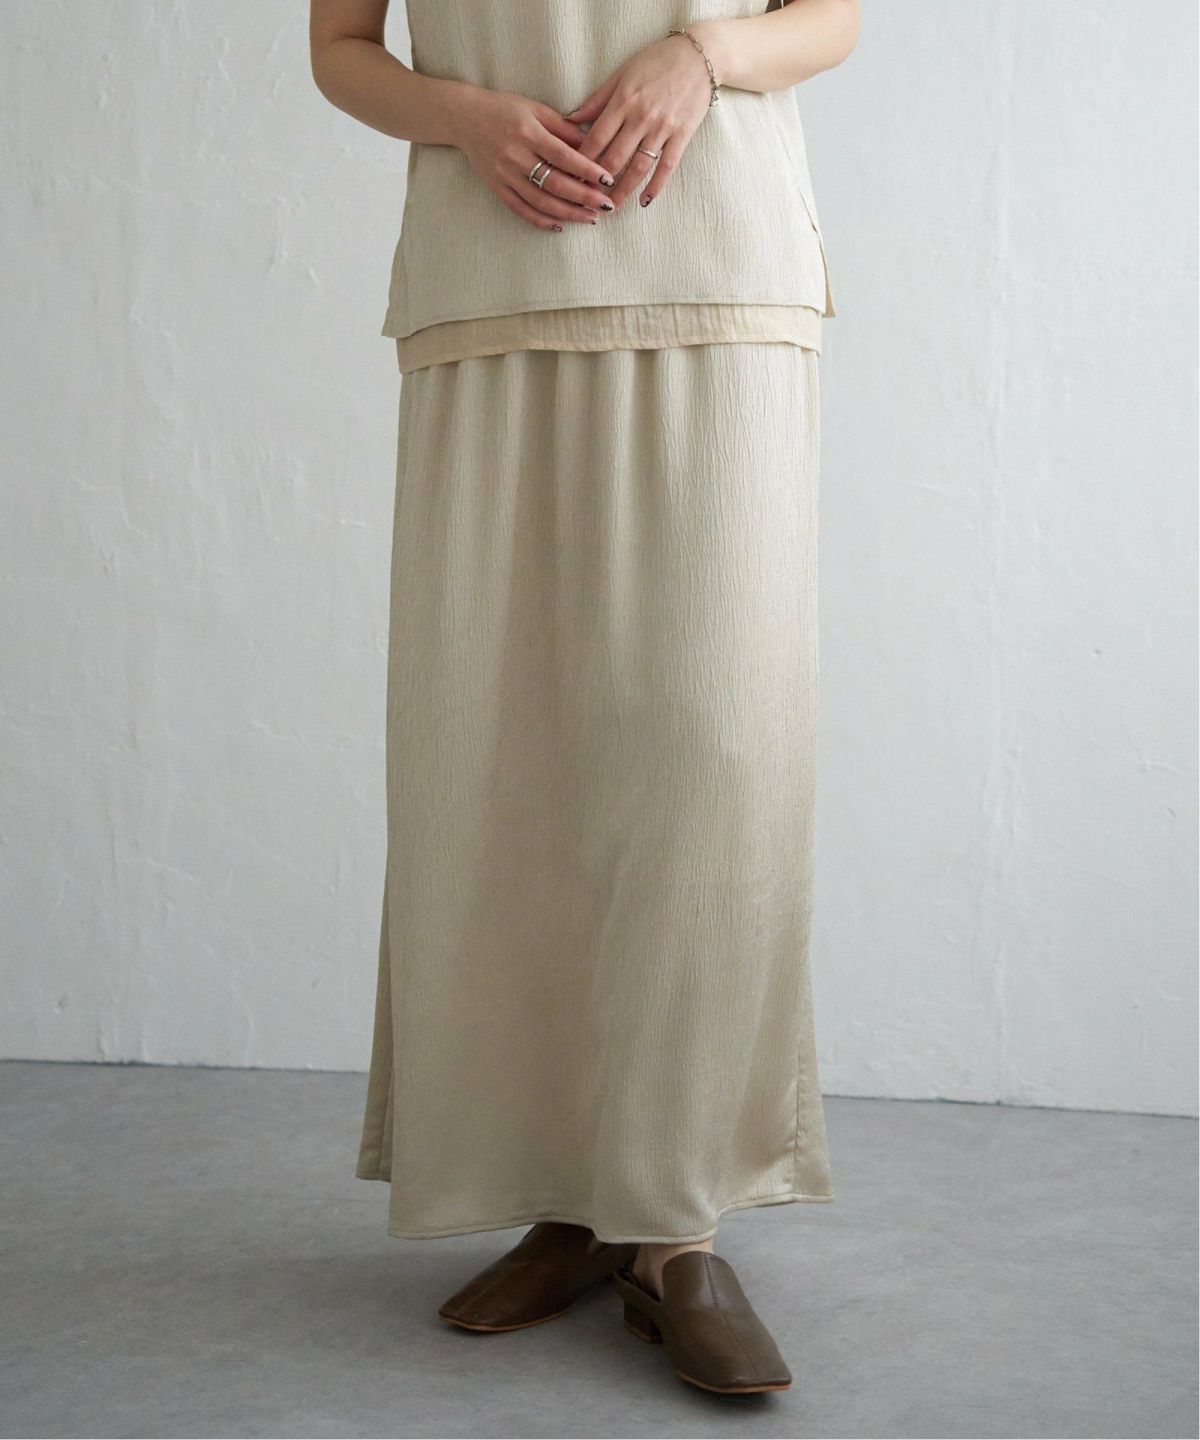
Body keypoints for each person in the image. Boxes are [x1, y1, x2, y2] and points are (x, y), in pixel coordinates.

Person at [310, 0, 859, 1396]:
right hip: (488, 286)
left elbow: (833, 18)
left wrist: (702, 58)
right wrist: (469, 118)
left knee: (711, 758)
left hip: (719, 267)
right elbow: (340, 48)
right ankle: (570, 1190)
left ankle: (675, 1226)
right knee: (503, 760)